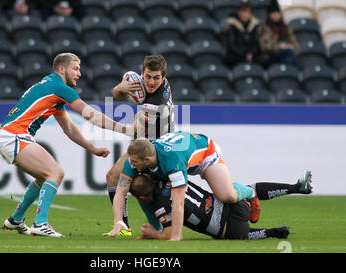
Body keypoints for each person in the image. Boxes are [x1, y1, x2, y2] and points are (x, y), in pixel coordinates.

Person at [0, 52, 134, 237]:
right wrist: (126, 129)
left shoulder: (50, 87)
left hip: (10, 135)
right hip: (15, 135)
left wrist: (92, 148)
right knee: (55, 173)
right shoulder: (59, 88)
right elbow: (91, 115)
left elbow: (69, 127)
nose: (79, 74)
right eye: (75, 69)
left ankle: (16, 219)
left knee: (43, 177)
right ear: (61, 68)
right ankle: (40, 224)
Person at [108, 131, 260, 241]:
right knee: (140, 188)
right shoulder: (134, 161)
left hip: (205, 153)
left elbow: (178, 201)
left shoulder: (172, 162)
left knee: (228, 196)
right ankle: (157, 228)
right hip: (175, 158)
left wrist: (176, 235)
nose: (131, 164)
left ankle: (249, 191)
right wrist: (118, 221)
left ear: (146, 160)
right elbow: (121, 192)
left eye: (134, 162)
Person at [103, 55, 176, 236]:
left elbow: (133, 129)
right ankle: (123, 227)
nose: (151, 82)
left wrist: (103, 123)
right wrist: (119, 89)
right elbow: (118, 94)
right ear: (142, 73)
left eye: (156, 78)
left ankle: (156, 226)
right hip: (145, 141)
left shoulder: (157, 103)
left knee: (140, 187)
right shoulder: (146, 84)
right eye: (148, 76)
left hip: (159, 149)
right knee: (113, 176)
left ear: (164, 77)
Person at [130, 171, 312, 240]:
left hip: (231, 227)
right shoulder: (169, 176)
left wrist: (153, 233)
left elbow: (170, 234)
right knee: (246, 189)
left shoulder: (160, 205)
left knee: (239, 235)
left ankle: (271, 232)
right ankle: (296, 187)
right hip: (233, 204)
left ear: (143, 198)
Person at [258, 0, 302, 70]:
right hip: (270, 57)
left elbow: (295, 45)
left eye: (277, 13)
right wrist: (282, 46)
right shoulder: (265, 27)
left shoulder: (285, 27)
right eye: (273, 13)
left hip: (286, 55)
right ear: (269, 14)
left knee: (289, 59)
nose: (276, 15)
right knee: (289, 53)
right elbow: (265, 46)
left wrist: (291, 47)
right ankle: (301, 73)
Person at [222, 2, 261, 68]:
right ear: (239, 13)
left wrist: (251, 53)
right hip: (236, 56)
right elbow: (231, 44)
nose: (245, 15)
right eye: (243, 12)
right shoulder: (232, 25)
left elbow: (256, 43)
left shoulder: (254, 25)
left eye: (247, 12)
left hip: (251, 55)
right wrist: (244, 54)